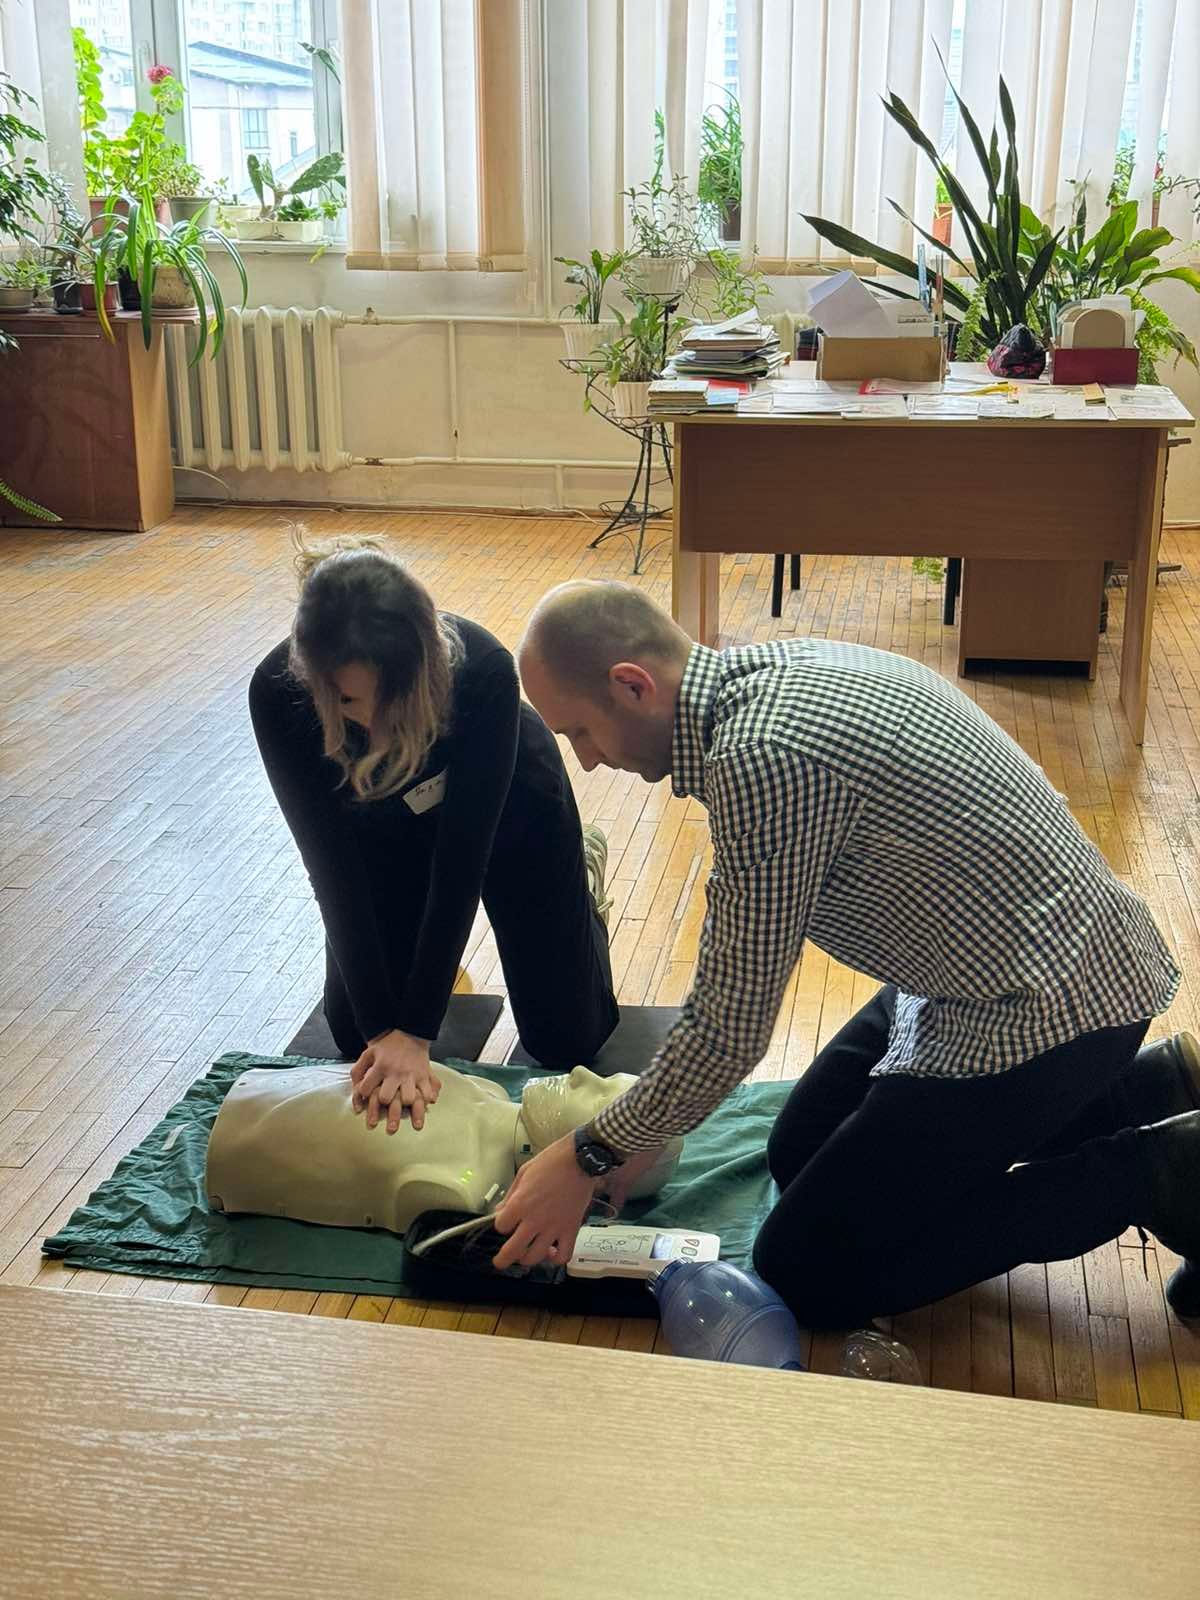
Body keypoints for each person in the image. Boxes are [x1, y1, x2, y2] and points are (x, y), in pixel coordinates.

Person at [491, 578, 1200, 1329]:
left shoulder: (760, 756)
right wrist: (648, 1127)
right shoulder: (774, 673)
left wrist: (589, 1154)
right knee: (800, 1155)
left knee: (810, 1271)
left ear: (632, 685)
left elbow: (728, 1028)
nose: (587, 762)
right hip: (1009, 965)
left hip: (1048, 1007)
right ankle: (1152, 1088)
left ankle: (1158, 1172)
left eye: (580, 733)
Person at [248, 538, 618, 1133]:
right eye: (347, 701)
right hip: (381, 827)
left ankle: (580, 889)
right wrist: (383, 1032)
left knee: (567, 1037)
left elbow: (461, 864)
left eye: (390, 701)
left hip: (511, 808)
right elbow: (333, 873)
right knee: (354, 1033)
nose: (372, 725)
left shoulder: (483, 671)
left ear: (424, 667)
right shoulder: (277, 694)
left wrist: (417, 1031)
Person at [206, 1059, 680, 1234]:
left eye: (602, 1095)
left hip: (234, 1148)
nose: (582, 1073)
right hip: (263, 1095)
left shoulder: (463, 1186)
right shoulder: (491, 1095)